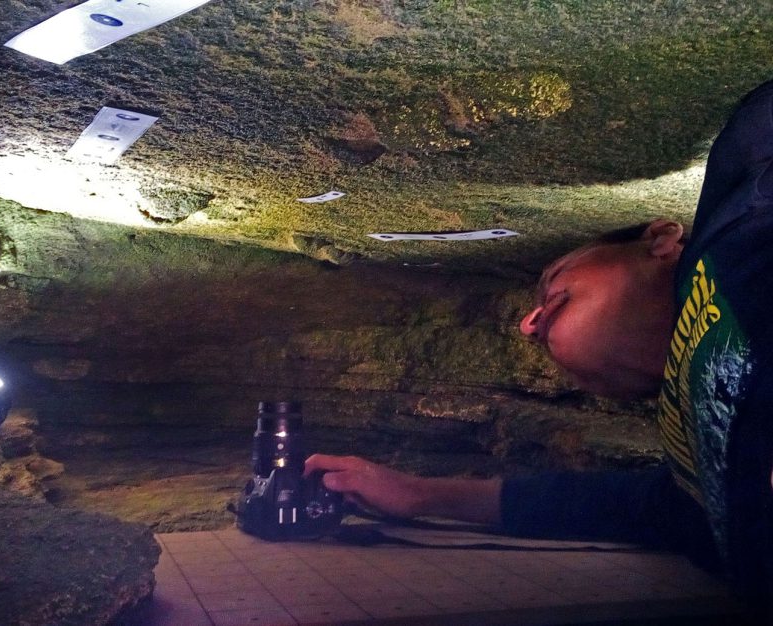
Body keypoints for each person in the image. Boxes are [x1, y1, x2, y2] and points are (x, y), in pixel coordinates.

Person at [306, 79, 773, 612]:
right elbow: (621, 506)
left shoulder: (739, 226)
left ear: (660, 240)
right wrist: (420, 494)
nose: (530, 324)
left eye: (552, 277)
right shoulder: (697, 475)